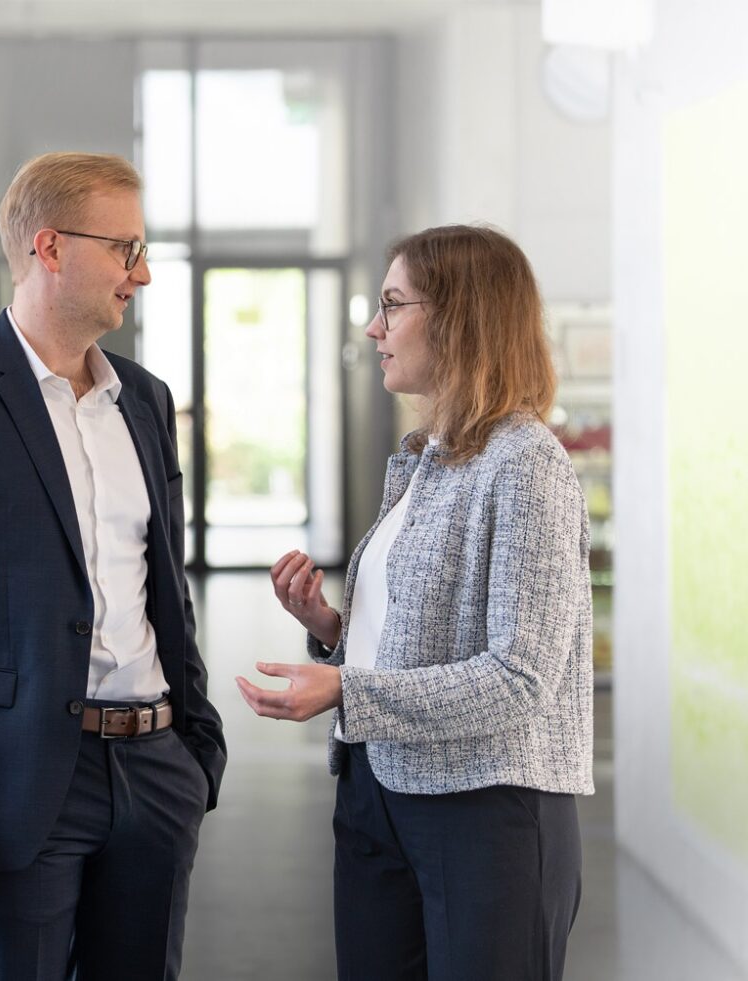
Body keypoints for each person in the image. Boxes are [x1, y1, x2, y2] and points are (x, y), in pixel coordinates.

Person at [0, 151, 225, 981]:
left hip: (155, 772)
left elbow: (161, 585)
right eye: (125, 248)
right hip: (13, 787)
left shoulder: (145, 399)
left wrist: (195, 747)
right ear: (50, 248)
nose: (141, 274)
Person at [237, 224, 593, 981]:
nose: (374, 327)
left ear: (461, 319)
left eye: (392, 305)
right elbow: (421, 636)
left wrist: (345, 687)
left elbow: (520, 678)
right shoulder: (431, 456)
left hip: (487, 812)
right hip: (378, 789)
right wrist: (334, 630)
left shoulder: (528, 463)